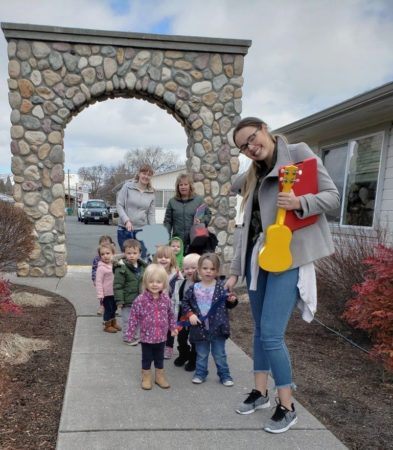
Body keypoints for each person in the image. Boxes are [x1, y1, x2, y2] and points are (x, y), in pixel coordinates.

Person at [225, 117, 340, 433]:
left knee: (272, 334)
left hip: (290, 258)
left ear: (264, 128)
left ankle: (287, 405)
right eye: (243, 147)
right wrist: (235, 270)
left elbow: (333, 198)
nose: (250, 148)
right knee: (260, 331)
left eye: (251, 139)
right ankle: (260, 391)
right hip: (258, 259)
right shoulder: (253, 174)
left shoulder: (300, 155)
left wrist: (300, 202)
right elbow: (246, 230)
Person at [182, 253, 238, 386]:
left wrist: (232, 300)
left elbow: (229, 304)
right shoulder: (193, 288)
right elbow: (185, 303)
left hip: (218, 328)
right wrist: (190, 315)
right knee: (201, 354)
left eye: (212, 269)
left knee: (219, 354)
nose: (208, 271)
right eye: (205, 268)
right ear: (199, 269)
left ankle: (225, 375)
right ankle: (200, 373)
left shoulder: (221, 287)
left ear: (217, 271)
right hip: (200, 329)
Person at [125, 264, 178, 390]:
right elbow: (133, 317)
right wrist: (130, 333)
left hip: (161, 337)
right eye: (151, 281)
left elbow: (171, 314)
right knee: (147, 358)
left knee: (160, 358)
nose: (154, 284)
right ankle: (146, 376)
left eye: (158, 282)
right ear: (145, 282)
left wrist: (173, 327)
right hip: (146, 337)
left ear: (164, 284)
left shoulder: (166, 299)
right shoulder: (140, 300)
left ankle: (159, 376)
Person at [164, 173, 212, 254]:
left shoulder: (199, 200)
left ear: (190, 186)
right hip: (177, 243)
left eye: (185, 184)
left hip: (195, 240)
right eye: (180, 185)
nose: (183, 187)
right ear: (177, 187)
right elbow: (168, 221)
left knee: (192, 265)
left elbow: (208, 214)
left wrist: (201, 220)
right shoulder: (172, 202)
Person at [116, 164, 155, 255]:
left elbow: (151, 214)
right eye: (144, 173)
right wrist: (126, 220)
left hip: (142, 230)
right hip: (124, 229)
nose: (146, 176)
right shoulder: (128, 187)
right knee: (127, 259)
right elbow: (119, 205)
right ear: (139, 174)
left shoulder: (151, 193)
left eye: (149, 175)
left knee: (142, 258)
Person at [113, 239, 147, 345]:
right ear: (124, 253)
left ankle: (136, 336)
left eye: (134, 253)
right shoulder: (121, 268)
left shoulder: (143, 267)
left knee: (139, 320)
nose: (131, 255)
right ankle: (128, 337)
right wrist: (119, 300)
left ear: (139, 253)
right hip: (127, 300)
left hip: (139, 300)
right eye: (128, 253)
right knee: (128, 320)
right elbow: (118, 286)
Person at [153, 245, 183, 359]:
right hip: (156, 304)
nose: (163, 259)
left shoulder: (176, 274)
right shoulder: (153, 271)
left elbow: (180, 288)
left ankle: (169, 347)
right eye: (160, 257)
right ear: (156, 258)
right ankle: (158, 345)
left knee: (170, 326)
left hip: (171, 305)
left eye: (166, 257)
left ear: (172, 259)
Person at [173, 253, 200, 371]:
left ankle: (194, 358)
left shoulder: (202, 285)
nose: (190, 270)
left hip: (197, 317)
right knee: (181, 337)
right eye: (187, 268)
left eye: (194, 268)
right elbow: (175, 299)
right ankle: (184, 354)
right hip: (182, 316)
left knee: (195, 338)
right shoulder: (180, 283)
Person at [95, 242, 121, 333]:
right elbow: (98, 282)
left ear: (113, 254)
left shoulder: (115, 264)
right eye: (102, 254)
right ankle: (107, 325)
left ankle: (113, 322)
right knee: (108, 309)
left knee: (114, 308)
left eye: (108, 253)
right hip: (107, 293)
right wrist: (100, 294)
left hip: (115, 292)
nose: (105, 256)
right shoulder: (101, 268)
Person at [91, 235, 115, 316]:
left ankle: (112, 308)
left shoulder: (113, 257)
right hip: (102, 280)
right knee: (103, 295)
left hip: (111, 282)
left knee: (112, 297)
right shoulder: (98, 259)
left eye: (107, 244)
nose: (104, 246)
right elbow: (94, 269)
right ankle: (102, 306)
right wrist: (94, 279)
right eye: (102, 244)